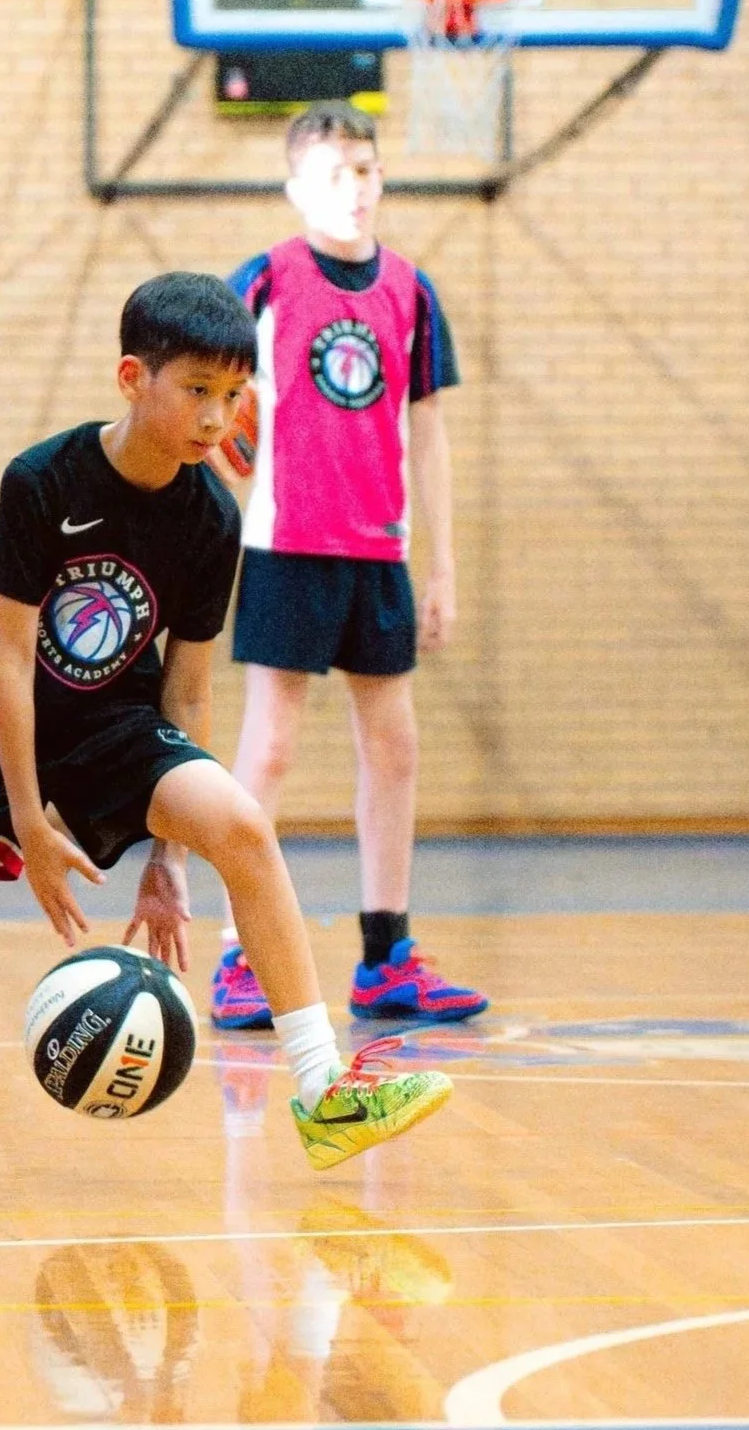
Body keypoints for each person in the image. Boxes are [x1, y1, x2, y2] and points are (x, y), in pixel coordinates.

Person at [0, 271, 451, 1175]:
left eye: (233, 396)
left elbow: (187, 694)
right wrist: (31, 825)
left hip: (113, 724)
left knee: (242, 823)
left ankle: (322, 1092)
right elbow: (6, 660)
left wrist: (167, 862)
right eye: (196, 391)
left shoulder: (210, 518)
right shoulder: (43, 480)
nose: (215, 418)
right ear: (131, 377)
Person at [207, 101, 487, 1032]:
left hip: (378, 552)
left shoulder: (411, 289)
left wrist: (440, 566)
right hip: (287, 543)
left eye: (365, 170)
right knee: (271, 747)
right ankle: (238, 956)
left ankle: (387, 955)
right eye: (334, 174)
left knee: (395, 747)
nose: (355, 189)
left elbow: (429, 432)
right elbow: (206, 396)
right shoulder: (266, 281)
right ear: (296, 188)